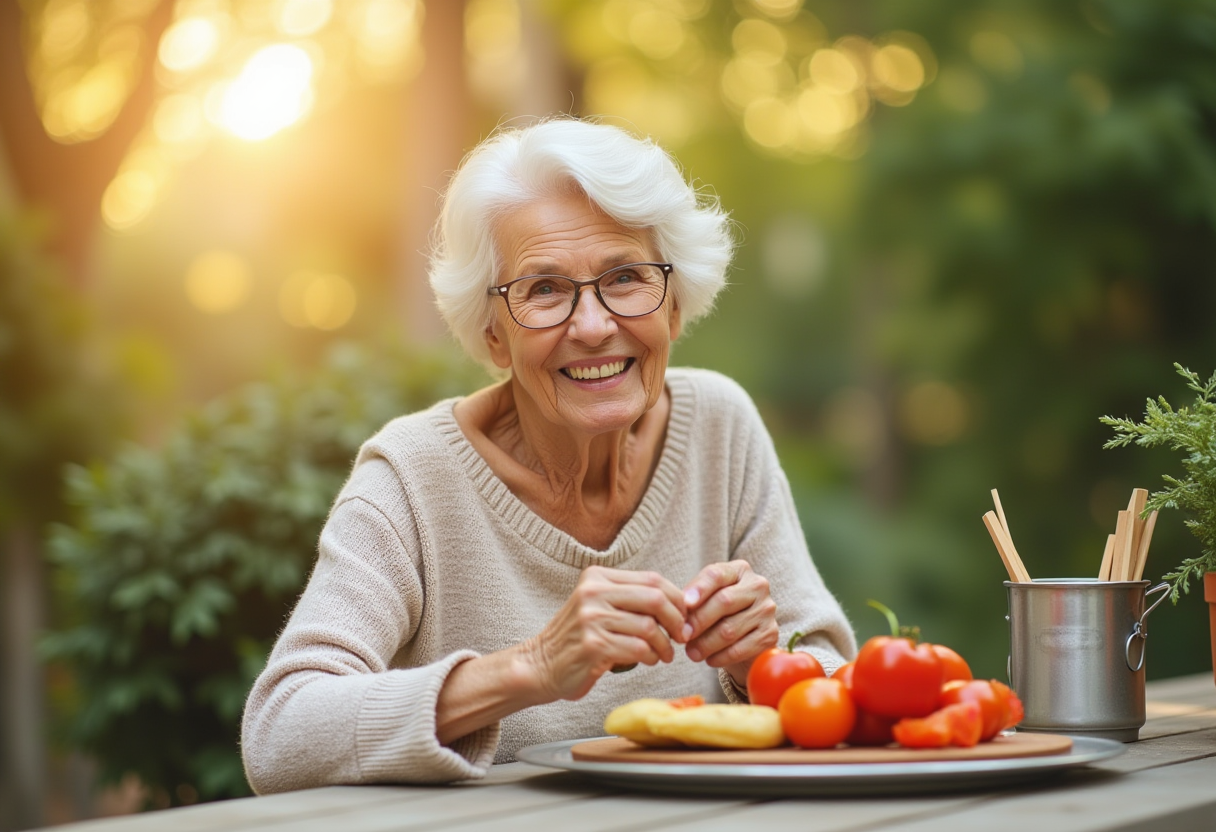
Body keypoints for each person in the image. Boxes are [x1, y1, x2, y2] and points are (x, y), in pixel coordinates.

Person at [241, 118, 856, 793]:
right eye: (544, 290)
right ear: (493, 335)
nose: (593, 327)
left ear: (675, 308)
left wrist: (759, 660)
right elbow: (280, 733)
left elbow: (836, 679)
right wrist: (529, 668)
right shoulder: (413, 476)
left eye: (625, 277)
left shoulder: (720, 425)